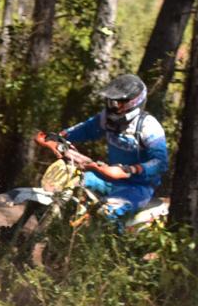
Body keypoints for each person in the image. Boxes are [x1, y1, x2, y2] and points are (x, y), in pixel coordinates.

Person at [33, 73, 168, 219]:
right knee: (69, 184)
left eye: (117, 102)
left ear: (132, 102)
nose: (112, 106)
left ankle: (111, 239)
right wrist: (57, 137)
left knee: (106, 213)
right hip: (108, 179)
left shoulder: (149, 127)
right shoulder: (107, 118)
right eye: (110, 101)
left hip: (138, 188)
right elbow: (85, 129)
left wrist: (128, 170)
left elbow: (161, 163)